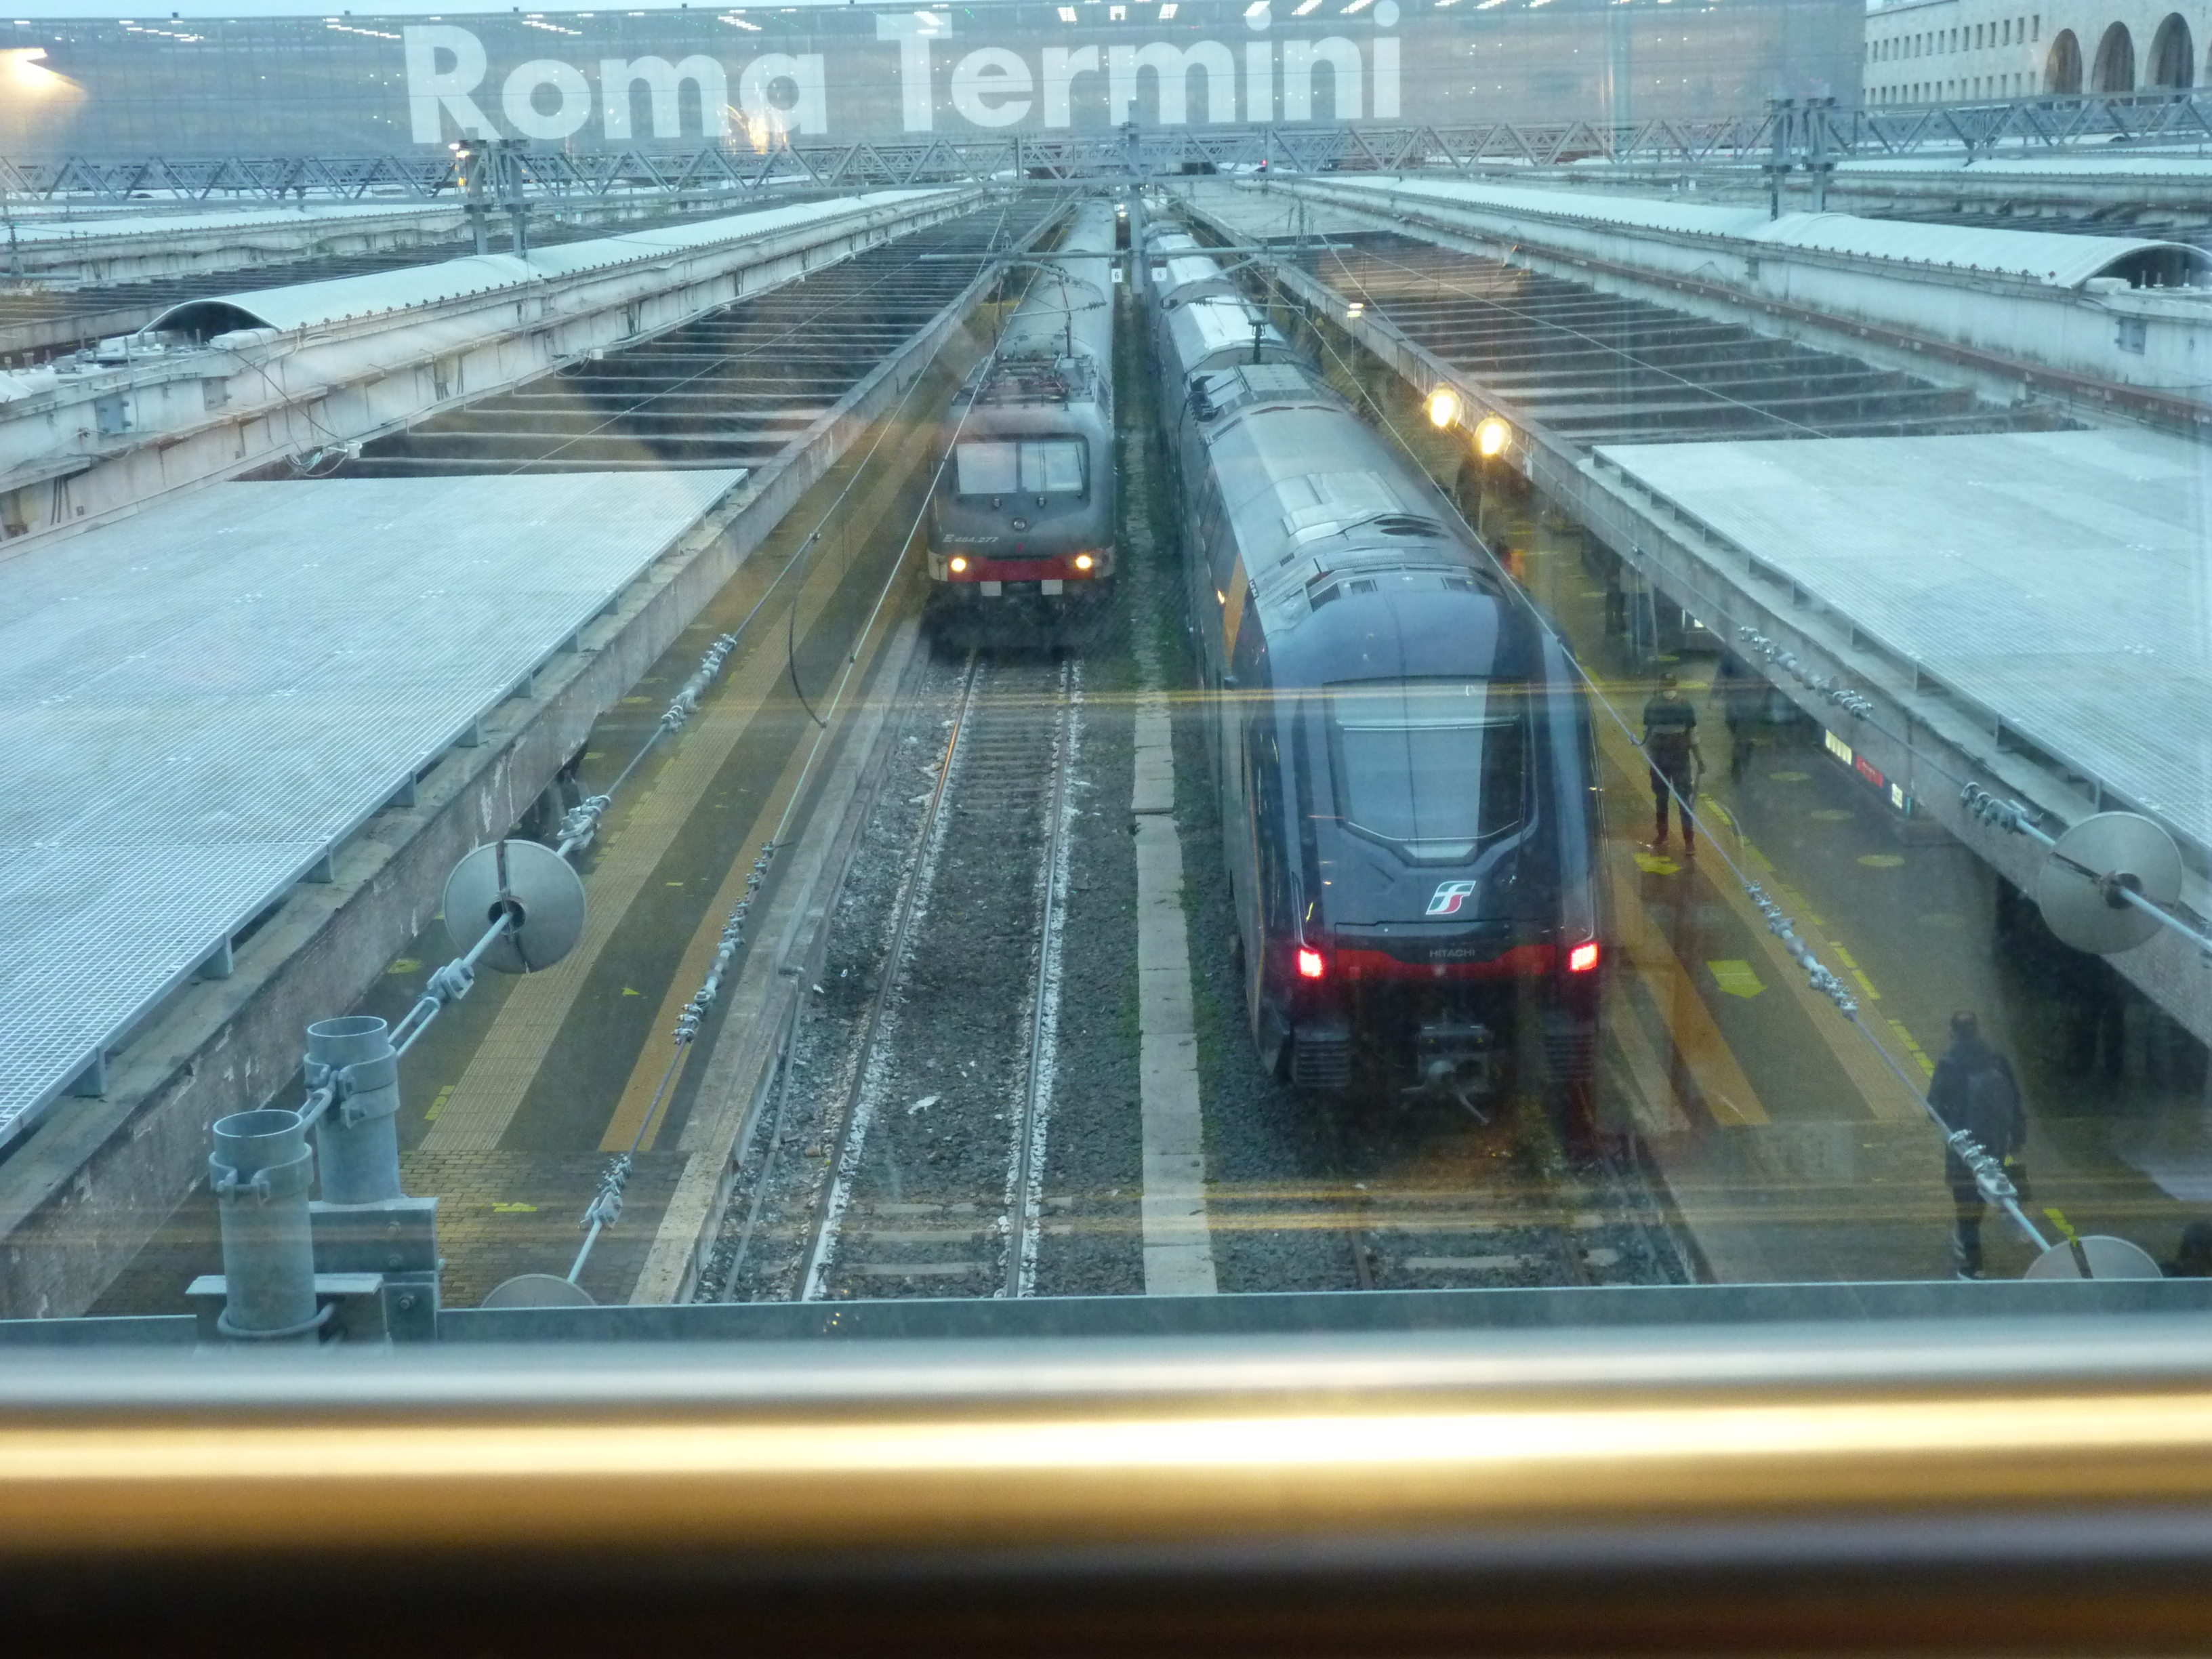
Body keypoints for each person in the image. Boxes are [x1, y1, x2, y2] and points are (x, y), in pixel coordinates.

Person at [1927, 1010, 2029, 1281]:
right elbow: (2015, 1100)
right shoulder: (1997, 1059)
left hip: (1964, 1146)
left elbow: (1933, 1109)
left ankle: (1974, 1265)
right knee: (1983, 1194)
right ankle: (1981, 1236)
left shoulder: (1949, 1064)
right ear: (1977, 1030)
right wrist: (2018, 1136)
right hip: (1995, 1142)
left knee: (1965, 1206)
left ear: (1953, 1033)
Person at [1639, 672, 1702, 855]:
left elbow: (1647, 737)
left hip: (1662, 761)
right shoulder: (1684, 705)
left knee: (1664, 799)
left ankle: (1666, 836)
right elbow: (1693, 737)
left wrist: (1651, 758)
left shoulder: (1652, 706)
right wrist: (1699, 760)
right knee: (1681, 801)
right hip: (1679, 760)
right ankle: (1687, 842)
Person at [1715, 651, 1762, 782]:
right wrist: (1715, 694)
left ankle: (1736, 765)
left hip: (1749, 701)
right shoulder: (1730, 656)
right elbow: (1721, 676)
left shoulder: (1756, 656)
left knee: (1740, 734)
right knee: (1731, 724)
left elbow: (1763, 678)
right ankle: (1746, 747)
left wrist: (1759, 698)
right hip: (1734, 699)